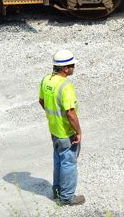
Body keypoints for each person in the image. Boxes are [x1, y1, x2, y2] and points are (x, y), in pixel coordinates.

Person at [39, 49, 85, 206]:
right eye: (72, 65)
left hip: (54, 129)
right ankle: (67, 197)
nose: (73, 67)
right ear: (65, 68)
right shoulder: (66, 86)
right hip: (66, 132)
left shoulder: (46, 80)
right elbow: (70, 113)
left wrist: (53, 116)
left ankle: (57, 191)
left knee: (58, 160)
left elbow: (42, 101)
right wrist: (78, 132)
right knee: (68, 162)